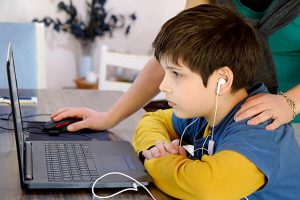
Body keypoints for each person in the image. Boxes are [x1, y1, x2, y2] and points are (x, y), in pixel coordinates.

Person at [51, 0, 299, 135]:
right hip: (227, 116)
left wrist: (289, 103)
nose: (165, 87)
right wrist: (109, 117)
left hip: (288, 122)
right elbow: (175, 55)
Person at [132, 4, 300, 199]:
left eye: (176, 74)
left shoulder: (258, 129)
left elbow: (206, 188)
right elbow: (152, 120)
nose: (163, 86)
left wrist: (154, 161)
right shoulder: (208, 112)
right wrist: (155, 149)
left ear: (223, 80)